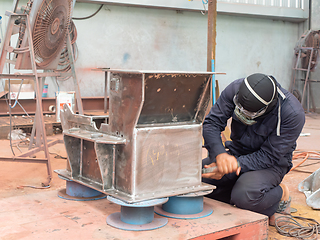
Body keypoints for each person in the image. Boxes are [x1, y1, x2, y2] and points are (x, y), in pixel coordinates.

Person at [201, 73, 305, 224]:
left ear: (266, 109)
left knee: (245, 196)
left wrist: (233, 165)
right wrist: (220, 155)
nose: (241, 112)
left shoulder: (292, 114)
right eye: (239, 108)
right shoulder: (236, 89)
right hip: (237, 152)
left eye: (248, 112)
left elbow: (268, 156)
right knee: (198, 179)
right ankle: (239, 189)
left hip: (270, 164)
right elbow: (212, 123)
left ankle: (281, 194)